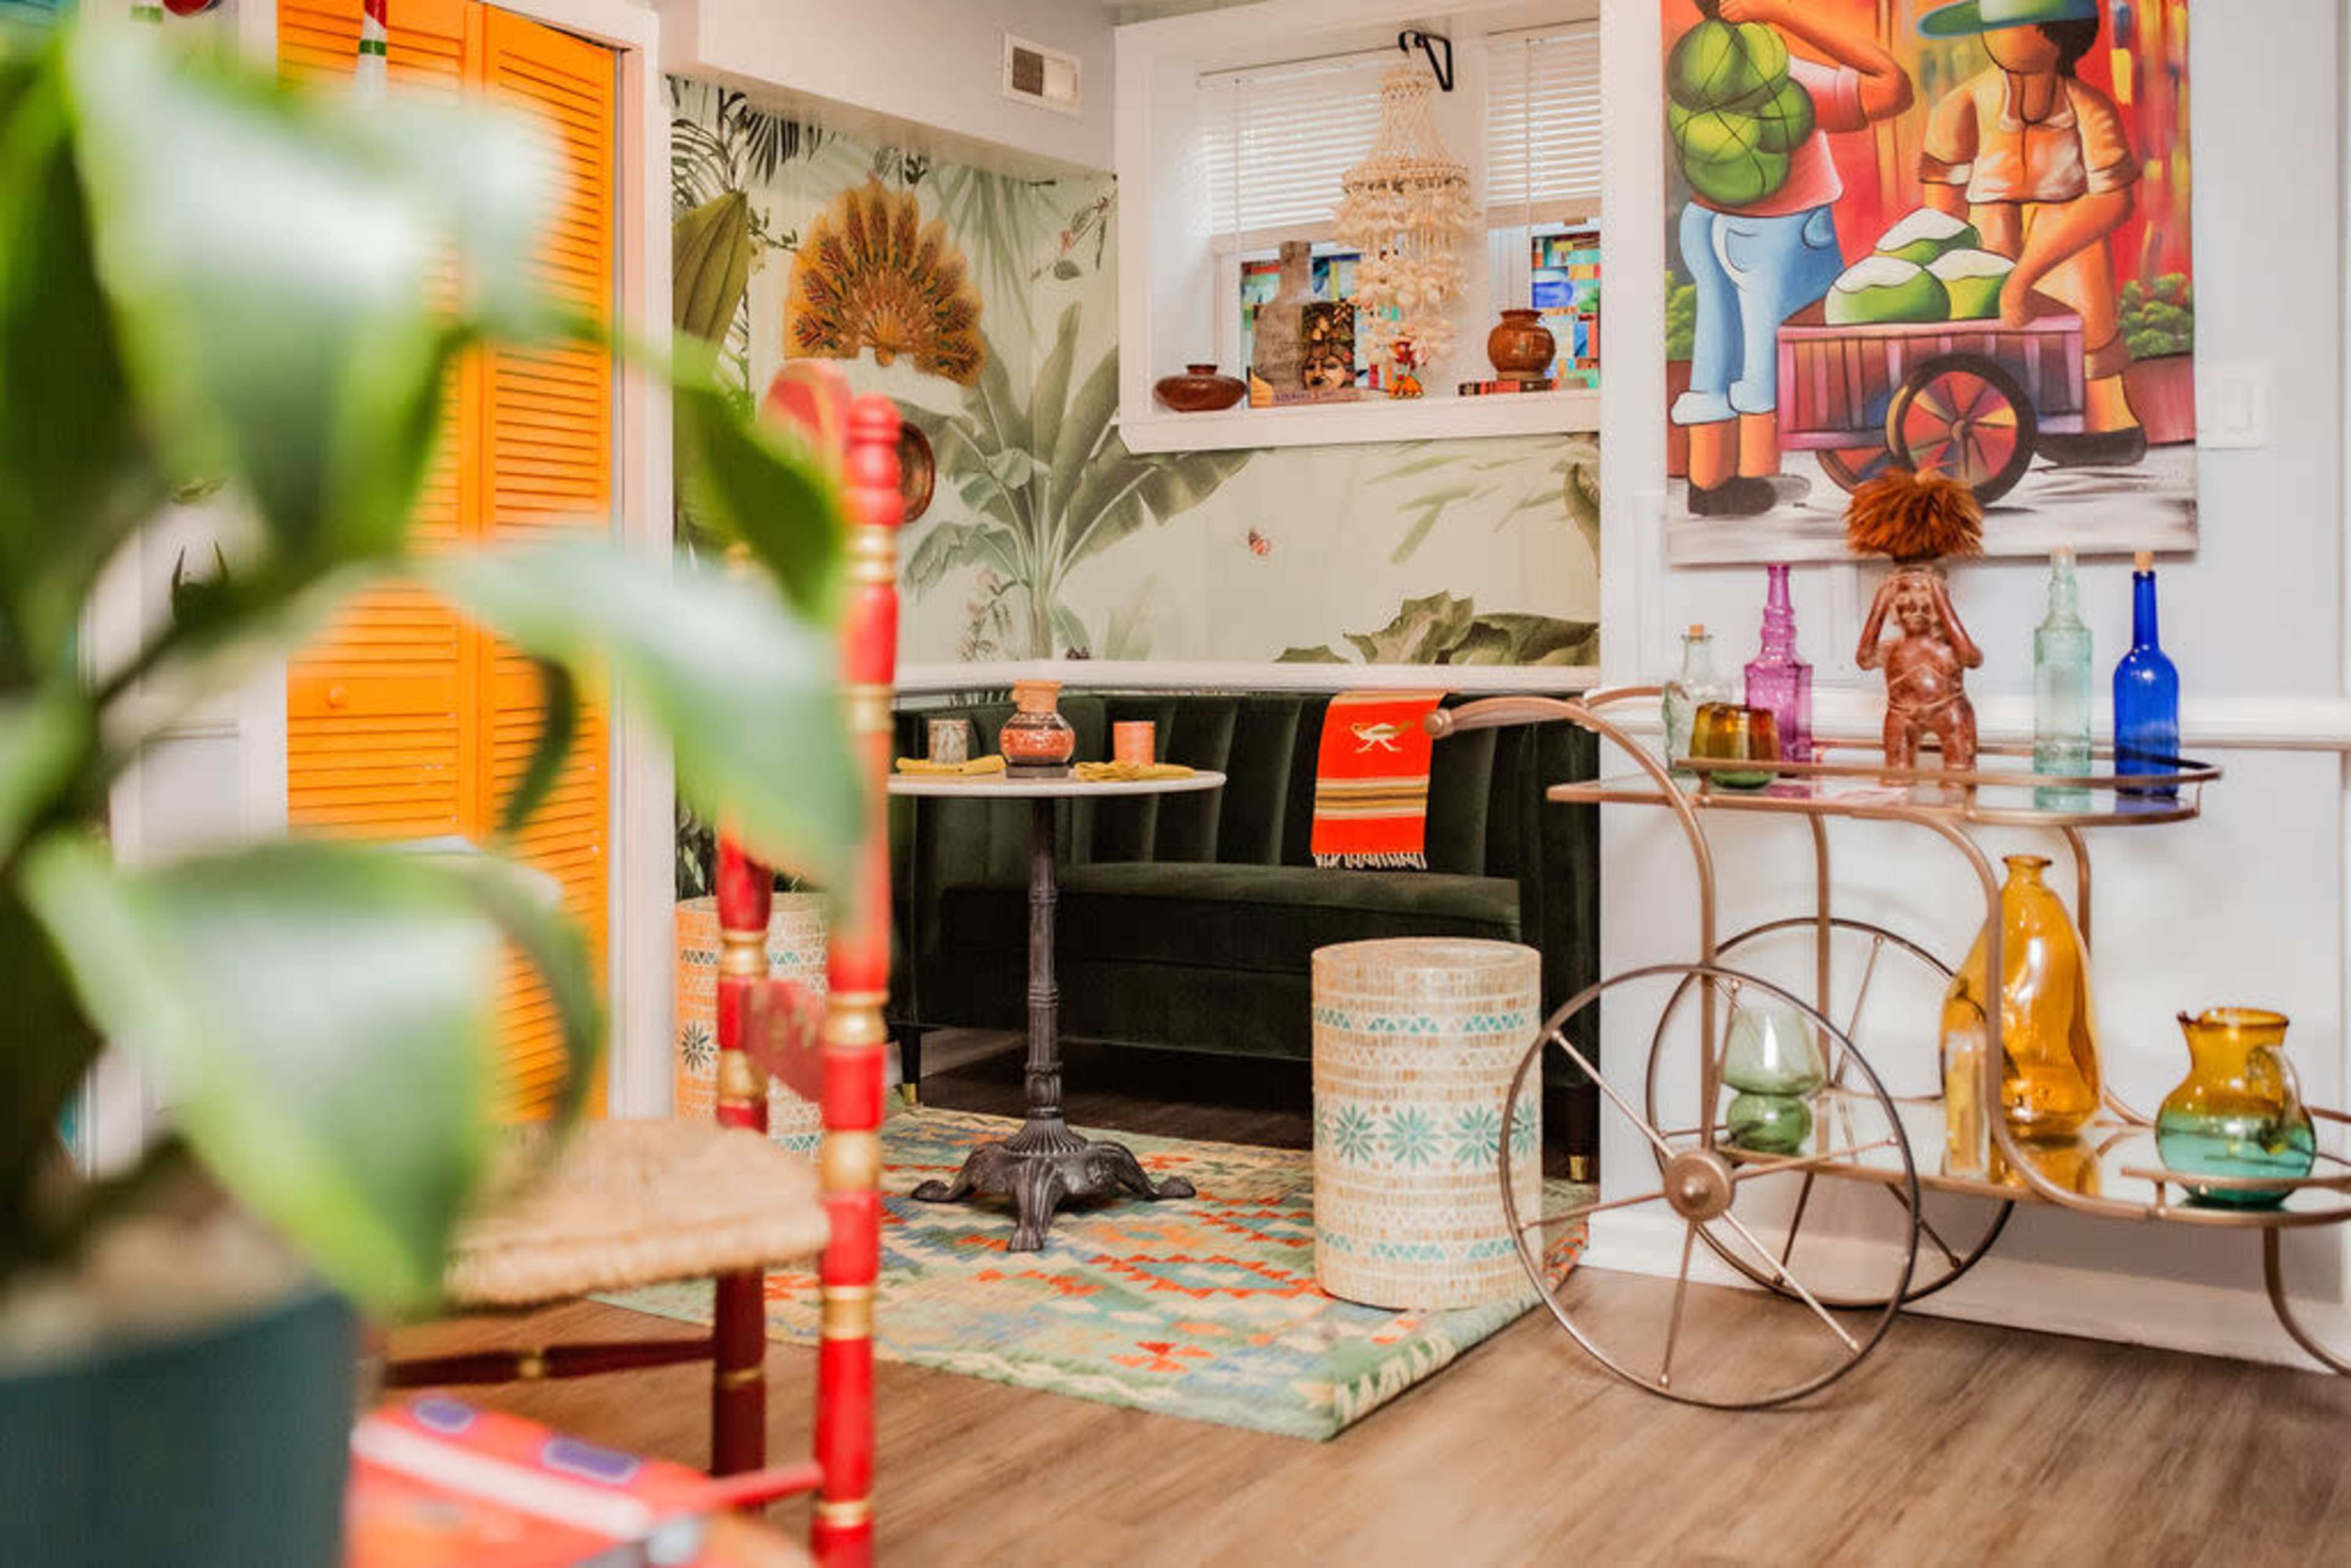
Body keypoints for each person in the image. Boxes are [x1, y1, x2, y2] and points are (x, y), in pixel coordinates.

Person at [1673, 0, 1913, 519]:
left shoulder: (1694, 73)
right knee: (1771, 344)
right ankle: (1758, 475)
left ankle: (1708, 480)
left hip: (1705, 221)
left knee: (1716, 347)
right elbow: (1891, 84)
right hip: (1781, 227)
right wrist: (1784, 14)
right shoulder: (1790, 83)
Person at [1916, 0, 2146, 466]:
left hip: (2066, 241)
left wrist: (2028, 273)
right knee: (1989, 247)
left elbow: (2114, 198)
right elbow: (1942, 213)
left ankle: (2101, 418)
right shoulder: (1962, 105)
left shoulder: (2088, 106)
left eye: (2013, 24)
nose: (1997, 35)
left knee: (2077, 270)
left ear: (2058, 34)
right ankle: (1991, 415)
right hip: (1989, 243)